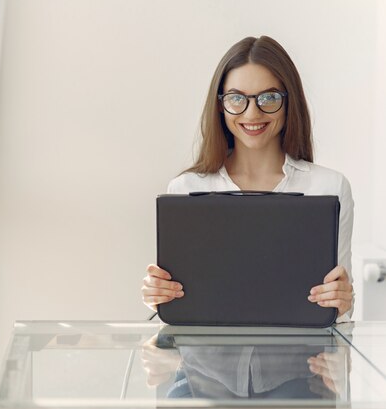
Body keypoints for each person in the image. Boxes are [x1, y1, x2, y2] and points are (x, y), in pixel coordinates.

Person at [142, 36, 354, 322]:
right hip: (206, 363)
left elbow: (338, 307)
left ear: (289, 102)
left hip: (299, 362)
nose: (252, 113)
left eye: (269, 98)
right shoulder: (187, 189)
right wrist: (159, 296)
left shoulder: (329, 187)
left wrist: (343, 300)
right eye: (236, 99)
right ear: (220, 105)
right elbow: (181, 305)